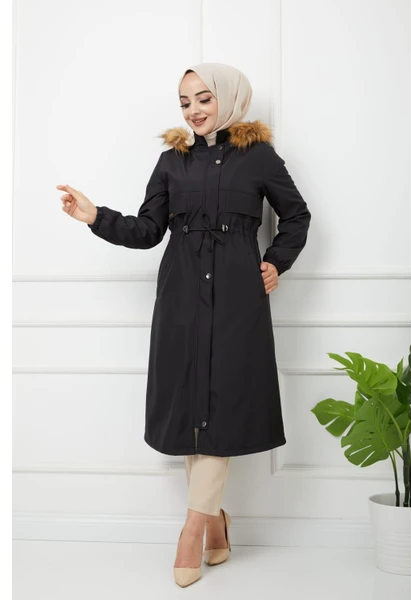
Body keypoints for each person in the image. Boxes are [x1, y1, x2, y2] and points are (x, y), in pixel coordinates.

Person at [56, 62, 311, 588]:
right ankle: (216, 523)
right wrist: (95, 216)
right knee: (193, 407)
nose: (193, 110)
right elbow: (149, 230)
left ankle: (192, 531)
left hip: (237, 301)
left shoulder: (259, 157)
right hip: (180, 299)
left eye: (204, 98)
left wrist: (275, 262)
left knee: (221, 403)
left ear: (229, 98)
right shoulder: (171, 161)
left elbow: (297, 215)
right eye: (184, 101)